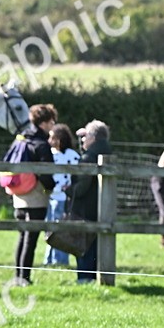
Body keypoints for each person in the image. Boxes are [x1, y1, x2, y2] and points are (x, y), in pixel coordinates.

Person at [7, 103, 58, 285]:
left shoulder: (21, 138)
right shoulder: (41, 144)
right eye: (52, 121)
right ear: (44, 122)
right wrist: (52, 186)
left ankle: (18, 276)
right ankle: (25, 278)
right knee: (31, 240)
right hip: (36, 197)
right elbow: (46, 173)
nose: (53, 125)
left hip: (18, 195)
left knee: (22, 237)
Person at [67, 120, 111, 283]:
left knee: (84, 246)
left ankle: (85, 278)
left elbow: (82, 188)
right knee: (97, 245)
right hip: (102, 208)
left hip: (85, 209)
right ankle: (95, 277)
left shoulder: (88, 157)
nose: (83, 140)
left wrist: (68, 189)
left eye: (85, 136)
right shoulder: (108, 153)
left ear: (93, 137)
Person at [43, 123, 80, 267]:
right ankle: (49, 259)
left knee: (60, 230)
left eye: (53, 138)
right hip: (50, 197)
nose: (50, 141)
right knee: (50, 230)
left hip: (63, 198)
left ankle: (60, 260)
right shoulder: (50, 154)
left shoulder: (71, 155)